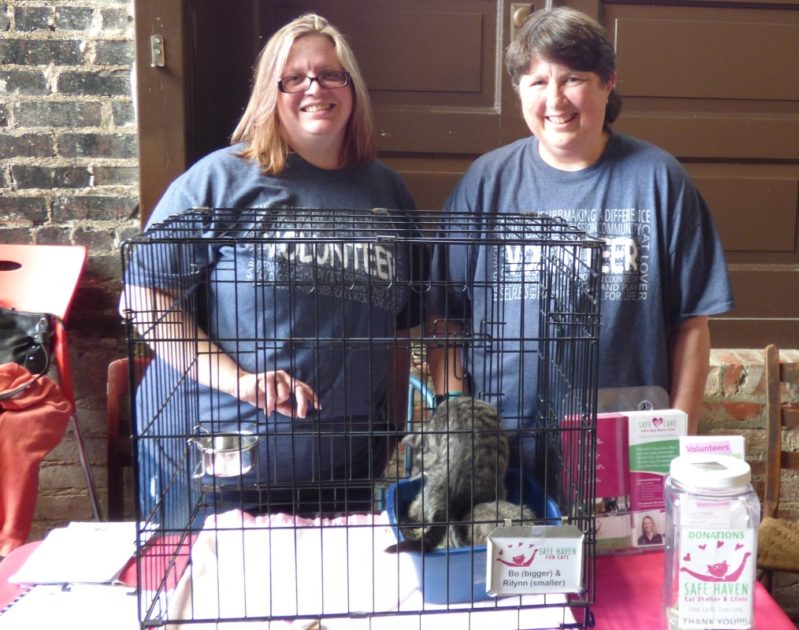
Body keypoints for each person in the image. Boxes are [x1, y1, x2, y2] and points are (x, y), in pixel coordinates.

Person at [121, 13, 420, 521]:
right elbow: (143, 298)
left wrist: (389, 429)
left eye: (331, 74)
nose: (315, 88)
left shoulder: (386, 191)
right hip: (215, 466)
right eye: (294, 78)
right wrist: (239, 381)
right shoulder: (220, 180)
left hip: (340, 472)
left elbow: (398, 328)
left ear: (352, 88)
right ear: (269, 92)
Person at [429, 7, 733, 469]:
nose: (555, 100)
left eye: (573, 79)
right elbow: (445, 318)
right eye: (537, 82)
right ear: (519, 90)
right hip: (503, 449)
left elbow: (692, 325)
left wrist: (677, 442)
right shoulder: (485, 183)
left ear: (608, 83)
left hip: (625, 448)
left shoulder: (659, 181)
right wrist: (460, 429)